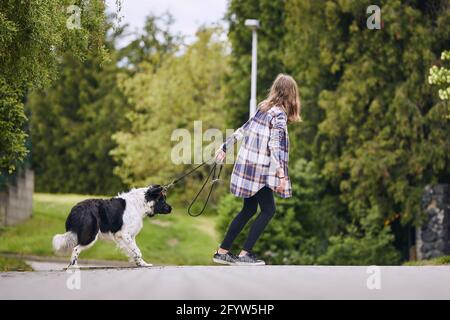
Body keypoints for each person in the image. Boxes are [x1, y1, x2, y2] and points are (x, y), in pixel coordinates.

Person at [213, 74, 302, 266]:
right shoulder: (278, 114)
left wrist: (225, 146)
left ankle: (222, 252)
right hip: (260, 170)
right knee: (269, 210)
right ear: (290, 94)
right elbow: (276, 145)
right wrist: (281, 174)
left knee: (249, 208)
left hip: (248, 166)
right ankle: (245, 255)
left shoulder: (264, 107)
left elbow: (243, 128)